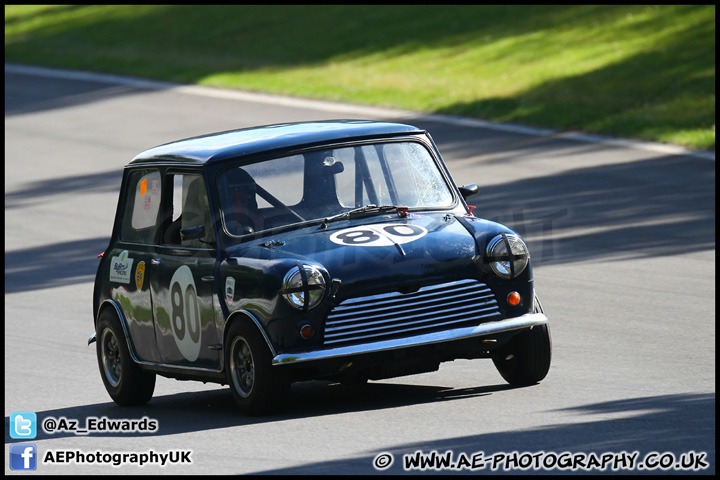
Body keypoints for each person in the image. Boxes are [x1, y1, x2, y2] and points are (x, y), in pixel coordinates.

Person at [225, 168, 264, 235]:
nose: (239, 204)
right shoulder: (214, 232)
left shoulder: (259, 220)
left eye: (243, 199)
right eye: (233, 200)